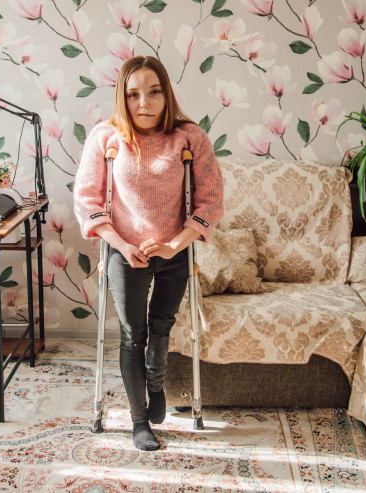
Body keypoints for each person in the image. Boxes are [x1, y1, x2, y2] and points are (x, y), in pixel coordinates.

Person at [73, 56, 224, 451]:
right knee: (132, 334)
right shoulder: (106, 137)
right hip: (125, 251)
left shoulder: (189, 137)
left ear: (166, 94)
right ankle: (139, 421)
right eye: (134, 94)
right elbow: (88, 200)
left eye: (154, 92)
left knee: (162, 325)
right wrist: (121, 244)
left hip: (174, 249)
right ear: (122, 98)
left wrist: (175, 243)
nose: (144, 103)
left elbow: (210, 200)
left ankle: (155, 383)